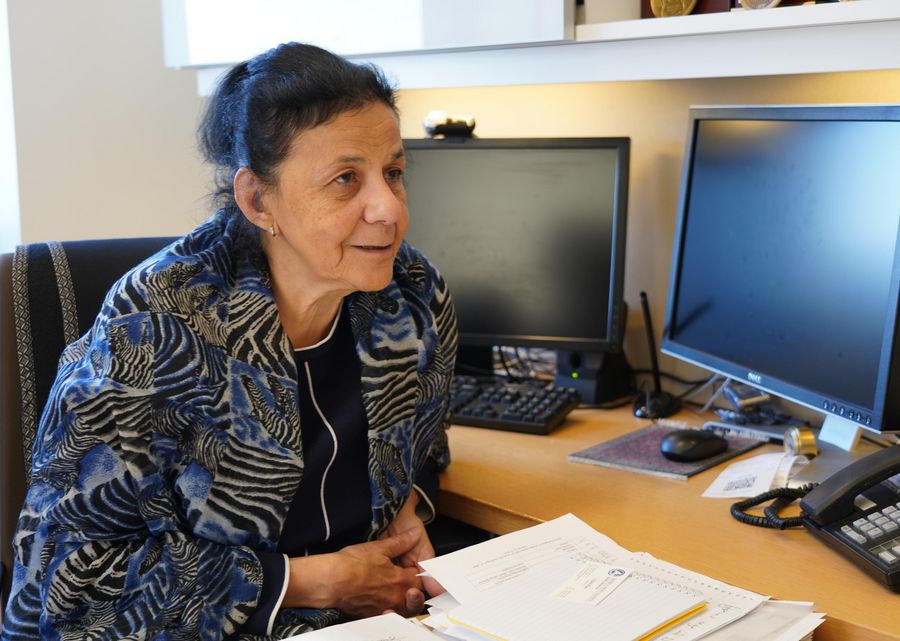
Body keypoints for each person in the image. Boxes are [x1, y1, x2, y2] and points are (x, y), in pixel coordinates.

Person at [2, 42, 457, 640]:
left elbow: (425, 446)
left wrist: (407, 507)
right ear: (257, 200)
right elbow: (68, 584)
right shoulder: (153, 330)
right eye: (346, 179)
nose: (389, 208)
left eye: (393, 173)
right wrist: (311, 581)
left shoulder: (413, 293)